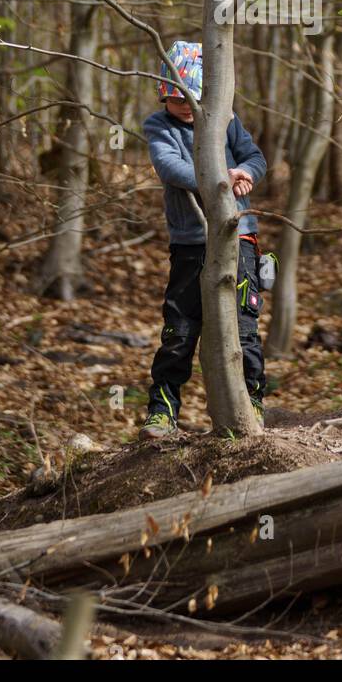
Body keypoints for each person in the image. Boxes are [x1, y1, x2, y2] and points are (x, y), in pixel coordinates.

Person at [140, 40, 268, 439]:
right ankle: (162, 411)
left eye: (190, 99)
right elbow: (170, 167)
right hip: (190, 241)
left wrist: (245, 173)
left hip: (239, 236)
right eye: (174, 99)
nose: (183, 106)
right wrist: (218, 178)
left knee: (242, 327)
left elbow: (255, 157)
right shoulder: (159, 126)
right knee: (180, 327)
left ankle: (252, 405)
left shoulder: (226, 120)